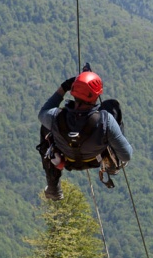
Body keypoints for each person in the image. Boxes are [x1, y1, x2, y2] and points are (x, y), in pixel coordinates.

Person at [37, 66, 133, 200]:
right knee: (112, 106)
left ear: (73, 91)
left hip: (66, 158)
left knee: (45, 128)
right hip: (95, 158)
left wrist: (64, 87)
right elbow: (127, 155)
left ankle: (53, 186)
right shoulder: (106, 121)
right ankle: (113, 163)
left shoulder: (55, 117)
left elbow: (43, 112)